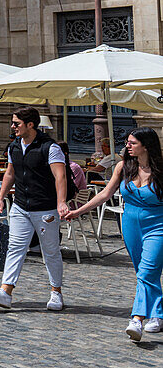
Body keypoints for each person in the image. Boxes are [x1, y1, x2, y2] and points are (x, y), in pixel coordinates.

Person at [67, 127, 163, 341]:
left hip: (158, 226)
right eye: (127, 142)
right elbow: (105, 193)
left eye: (132, 143)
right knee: (144, 271)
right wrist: (78, 211)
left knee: (147, 271)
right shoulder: (123, 166)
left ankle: (137, 319)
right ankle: (157, 314)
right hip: (130, 225)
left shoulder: (161, 169)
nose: (127, 146)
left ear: (146, 146)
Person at [0, 106, 69, 312]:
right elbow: (10, 174)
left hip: (44, 208)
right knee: (15, 248)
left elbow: (60, 177)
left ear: (30, 124)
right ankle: (5, 292)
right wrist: (0, 198)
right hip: (20, 206)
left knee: (50, 251)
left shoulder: (50, 147)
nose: (12, 126)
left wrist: (61, 202)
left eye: (16, 123)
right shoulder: (14, 146)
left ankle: (56, 292)